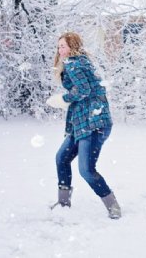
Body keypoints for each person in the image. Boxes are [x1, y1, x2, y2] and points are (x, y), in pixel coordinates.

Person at [46, 32, 121, 219]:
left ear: (73, 47)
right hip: (83, 123)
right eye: (58, 47)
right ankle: (63, 204)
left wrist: (63, 99)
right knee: (61, 157)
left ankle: (113, 206)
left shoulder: (74, 63)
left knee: (86, 170)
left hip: (93, 124)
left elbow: (84, 90)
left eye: (63, 46)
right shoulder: (81, 62)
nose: (60, 50)